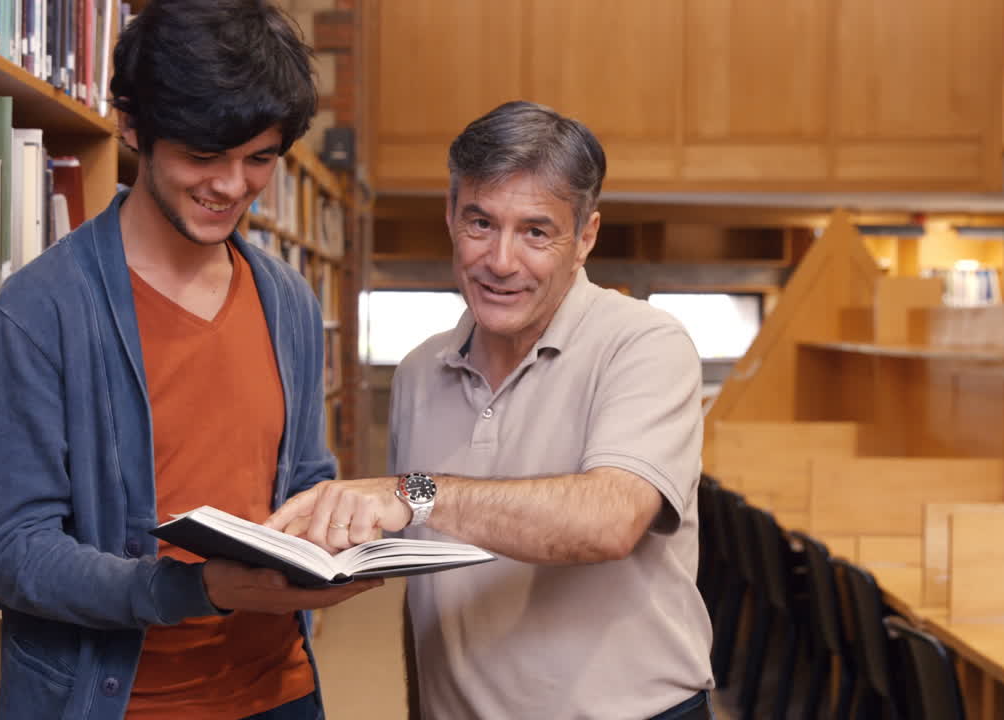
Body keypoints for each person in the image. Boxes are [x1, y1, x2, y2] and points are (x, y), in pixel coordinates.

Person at [0, 2, 380, 719]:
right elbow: (17, 553)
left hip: (282, 692)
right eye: (202, 155)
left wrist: (337, 535)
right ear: (132, 127)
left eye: (259, 158)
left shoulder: (288, 302)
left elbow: (303, 475)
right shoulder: (37, 313)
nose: (231, 186)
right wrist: (198, 589)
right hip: (121, 701)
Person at [267, 101, 714, 719]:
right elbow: (430, 591)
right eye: (481, 223)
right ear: (451, 217)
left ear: (584, 238)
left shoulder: (646, 344)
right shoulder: (420, 370)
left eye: (536, 231)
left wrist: (412, 491)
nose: (501, 262)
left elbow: (611, 520)